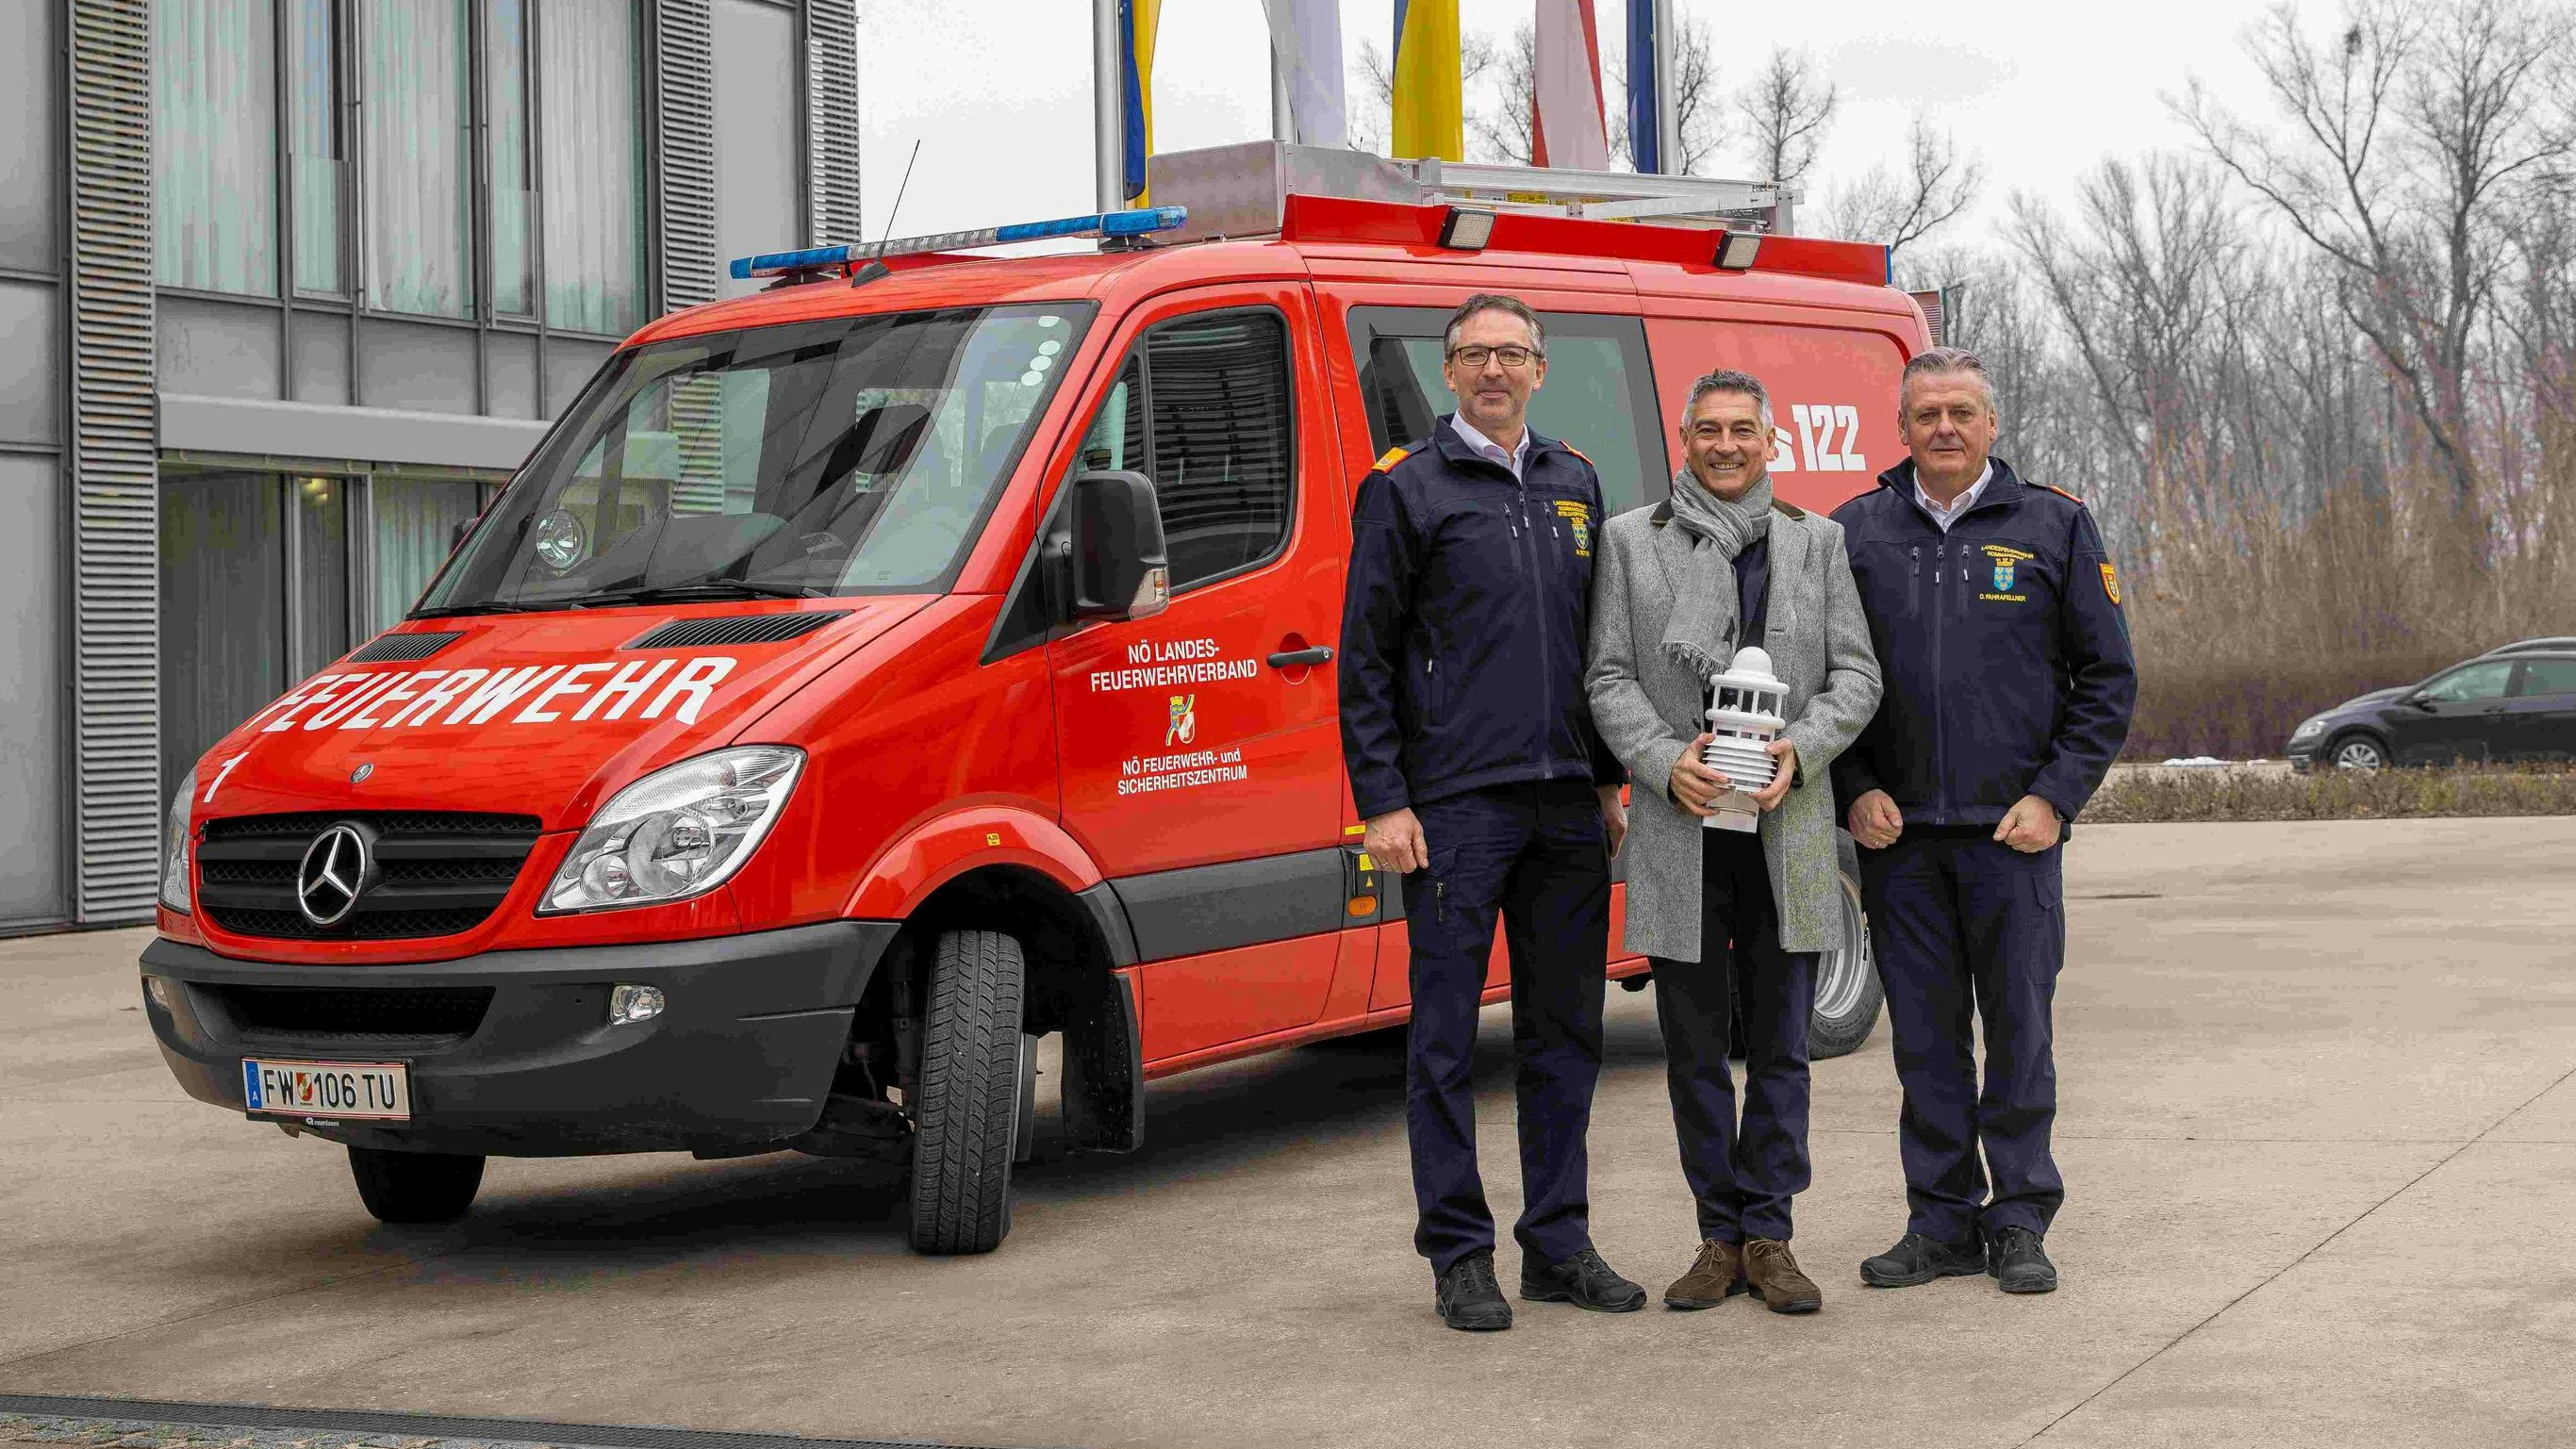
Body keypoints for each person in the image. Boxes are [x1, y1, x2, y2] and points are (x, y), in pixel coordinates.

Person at [1340, 292, 1641, 1332]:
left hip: (1564, 807)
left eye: (1512, 353)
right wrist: (1383, 798)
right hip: (1455, 810)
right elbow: (1364, 657)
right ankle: (1458, 1254)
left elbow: (1599, 649)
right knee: (1444, 1045)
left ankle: (1557, 1244)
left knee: (1565, 1036)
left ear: (1540, 369)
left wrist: (1607, 779)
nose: (1493, 372)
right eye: (1473, 355)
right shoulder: (1405, 490)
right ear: (1448, 370)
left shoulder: (1575, 481)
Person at [1830, 347, 2137, 1295]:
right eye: (1926, 414)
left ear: (1990, 424)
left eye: (1961, 411)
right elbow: (1822, 679)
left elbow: (2106, 680)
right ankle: (1938, 1223)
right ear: (1901, 427)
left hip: (2013, 841)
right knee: (1923, 1045)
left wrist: (2054, 796)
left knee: (2016, 1036)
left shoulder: (2053, 524)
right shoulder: (1852, 533)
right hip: (1901, 842)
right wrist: (1851, 790)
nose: (1944, 428)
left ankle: (2017, 1221)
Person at [1585, 369, 1881, 1316]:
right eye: (1706, 429)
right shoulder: (1631, 543)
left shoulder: (1816, 541)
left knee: (1782, 1048)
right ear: (1683, 437)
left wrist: (1803, 748)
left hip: (1784, 834)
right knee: (1693, 1048)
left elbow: (1857, 676)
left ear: (1768, 440)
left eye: (1740, 430)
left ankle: (1771, 1235)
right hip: (1682, 832)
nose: (1723, 445)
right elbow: (1607, 678)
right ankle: (1716, 1237)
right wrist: (1664, 760)